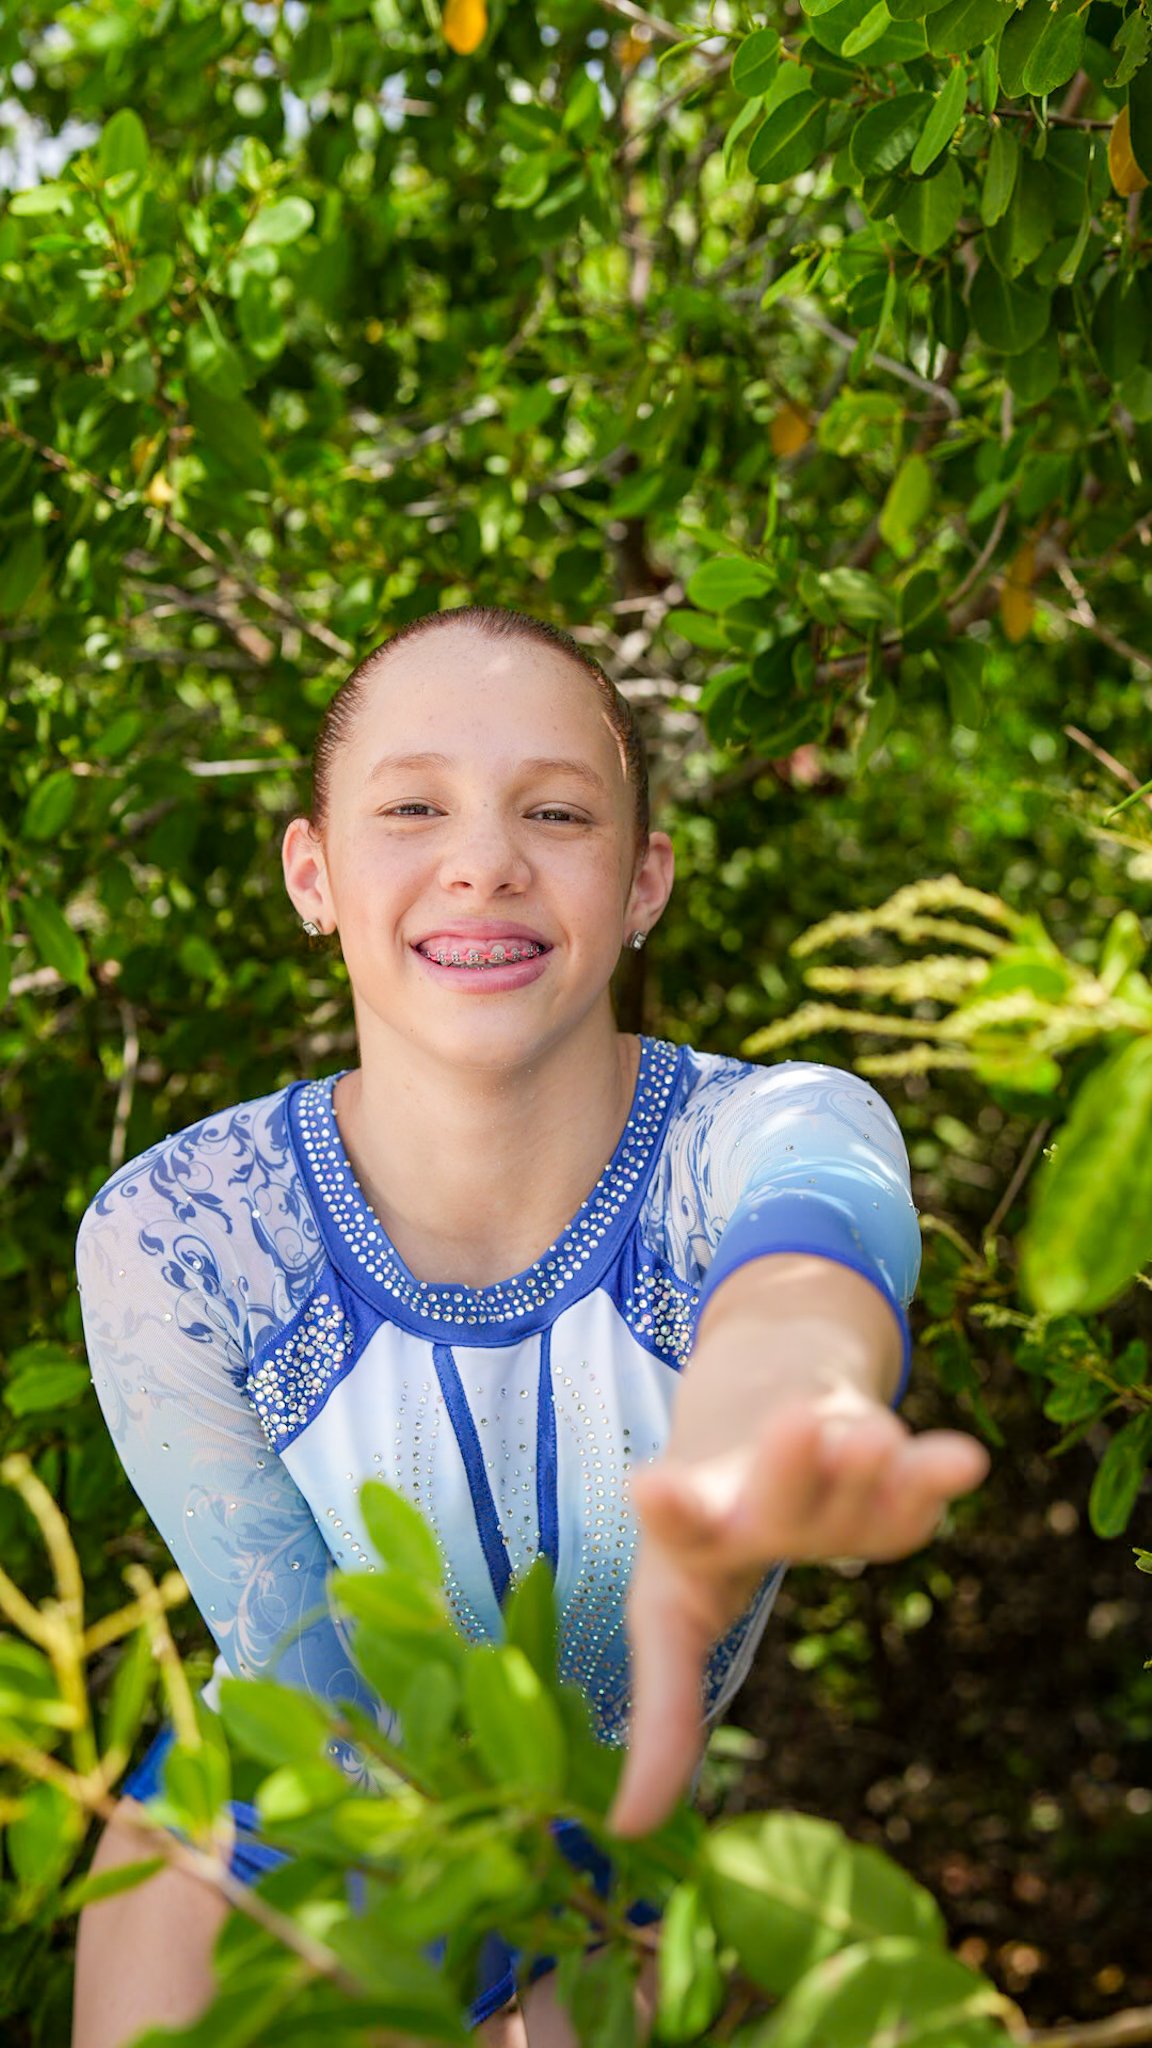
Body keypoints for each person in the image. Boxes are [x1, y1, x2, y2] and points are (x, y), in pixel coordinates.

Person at [72, 605, 988, 2048]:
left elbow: (803, 1283)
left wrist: (779, 1416)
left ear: (642, 883)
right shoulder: (179, 1231)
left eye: (555, 810)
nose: (483, 859)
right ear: (313, 875)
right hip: (255, 1877)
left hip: (613, 1892)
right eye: (412, 806)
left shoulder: (778, 1130)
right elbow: (318, 1689)